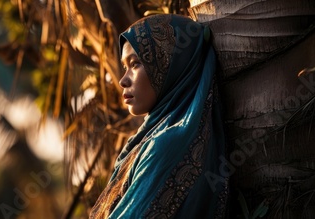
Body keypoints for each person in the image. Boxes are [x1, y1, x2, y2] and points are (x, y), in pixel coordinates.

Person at [89, 14, 228, 218]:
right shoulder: (180, 135)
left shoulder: (166, 143)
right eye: (125, 67)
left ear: (169, 67)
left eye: (135, 64)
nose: (123, 81)